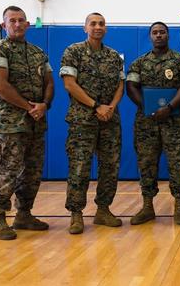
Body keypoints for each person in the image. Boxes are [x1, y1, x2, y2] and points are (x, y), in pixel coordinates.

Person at [0, 6, 54, 240]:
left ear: (27, 24)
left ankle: (24, 214)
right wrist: (30, 107)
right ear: (4, 25)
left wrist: (44, 104)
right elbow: (0, 86)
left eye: (21, 20)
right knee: (6, 171)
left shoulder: (37, 53)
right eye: (12, 20)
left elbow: (49, 82)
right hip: (10, 125)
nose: (17, 24)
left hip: (36, 124)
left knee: (32, 173)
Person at [60, 12, 124, 234]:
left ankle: (103, 210)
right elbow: (70, 84)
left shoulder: (114, 56)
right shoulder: (73, 51)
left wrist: (111, 107)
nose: (98, 27)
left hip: (109, 119)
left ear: (105, 28)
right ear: (85, 28)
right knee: (79, 167)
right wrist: (96, 106)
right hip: (82, 121)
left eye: (101, 23)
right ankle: (76, 214)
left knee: (110, 167)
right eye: (93, 23)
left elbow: (120, 85)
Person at [126, 22, 180, 226]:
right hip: (147, 123)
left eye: (162, 32)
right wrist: (148, 107)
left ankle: (179, 207)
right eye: (155, 33)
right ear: (150, 36)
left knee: (177, 164)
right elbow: (131, 86)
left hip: (175, 123)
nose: (158, 35)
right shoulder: (139, 62)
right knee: (146, 164)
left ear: (168, 35)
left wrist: (170, 107)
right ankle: (148, 207)